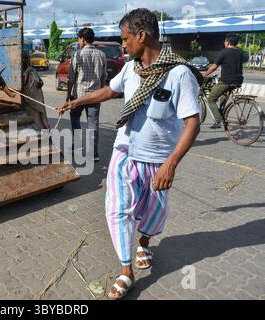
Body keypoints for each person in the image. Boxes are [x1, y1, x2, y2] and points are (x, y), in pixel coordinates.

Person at [56, 8, 203, 300]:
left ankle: (144, 242)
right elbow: (110, 91)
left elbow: (193, 123)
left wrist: (171, 164)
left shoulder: (179, 74)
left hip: (158, 159)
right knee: (117, 209)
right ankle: (126, 271)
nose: (122, 45)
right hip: (124, 152)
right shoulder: (131, 68)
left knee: (153, 211)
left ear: (141, 35)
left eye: (125, 39)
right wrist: (77, 101)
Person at [67, 27, 107, 161]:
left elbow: (71, 78)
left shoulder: (77, 54)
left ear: (83, 39)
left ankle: (77, 146)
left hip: (78, 96)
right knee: (93, 124)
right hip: (95, 96)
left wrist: (68, 95)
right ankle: (93, 153)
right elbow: (103, 77)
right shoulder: (101, 55)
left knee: (74, 118)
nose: (79, 41)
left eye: (79, 39)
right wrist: (101, 92)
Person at [203, 33, 244, 129]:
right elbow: (233, 65)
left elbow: (214, 67)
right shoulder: (240, 52)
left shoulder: (224, 52)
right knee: (223, 96)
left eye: (225, 41)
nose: (224, 42)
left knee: (211, 99)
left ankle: (218, 120)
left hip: (226, 81)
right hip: (238, 81)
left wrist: (204, 74)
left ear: (228, 42)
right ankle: (222, 115)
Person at [22, 51, 50, 129]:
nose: (24, 60)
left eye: (26, 59)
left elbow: (40, 81)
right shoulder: (19, 72)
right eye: (23, 58)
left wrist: (40, 83)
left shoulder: (32, 70)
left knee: (39, 117)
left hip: (36, 98)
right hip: (27, 99)